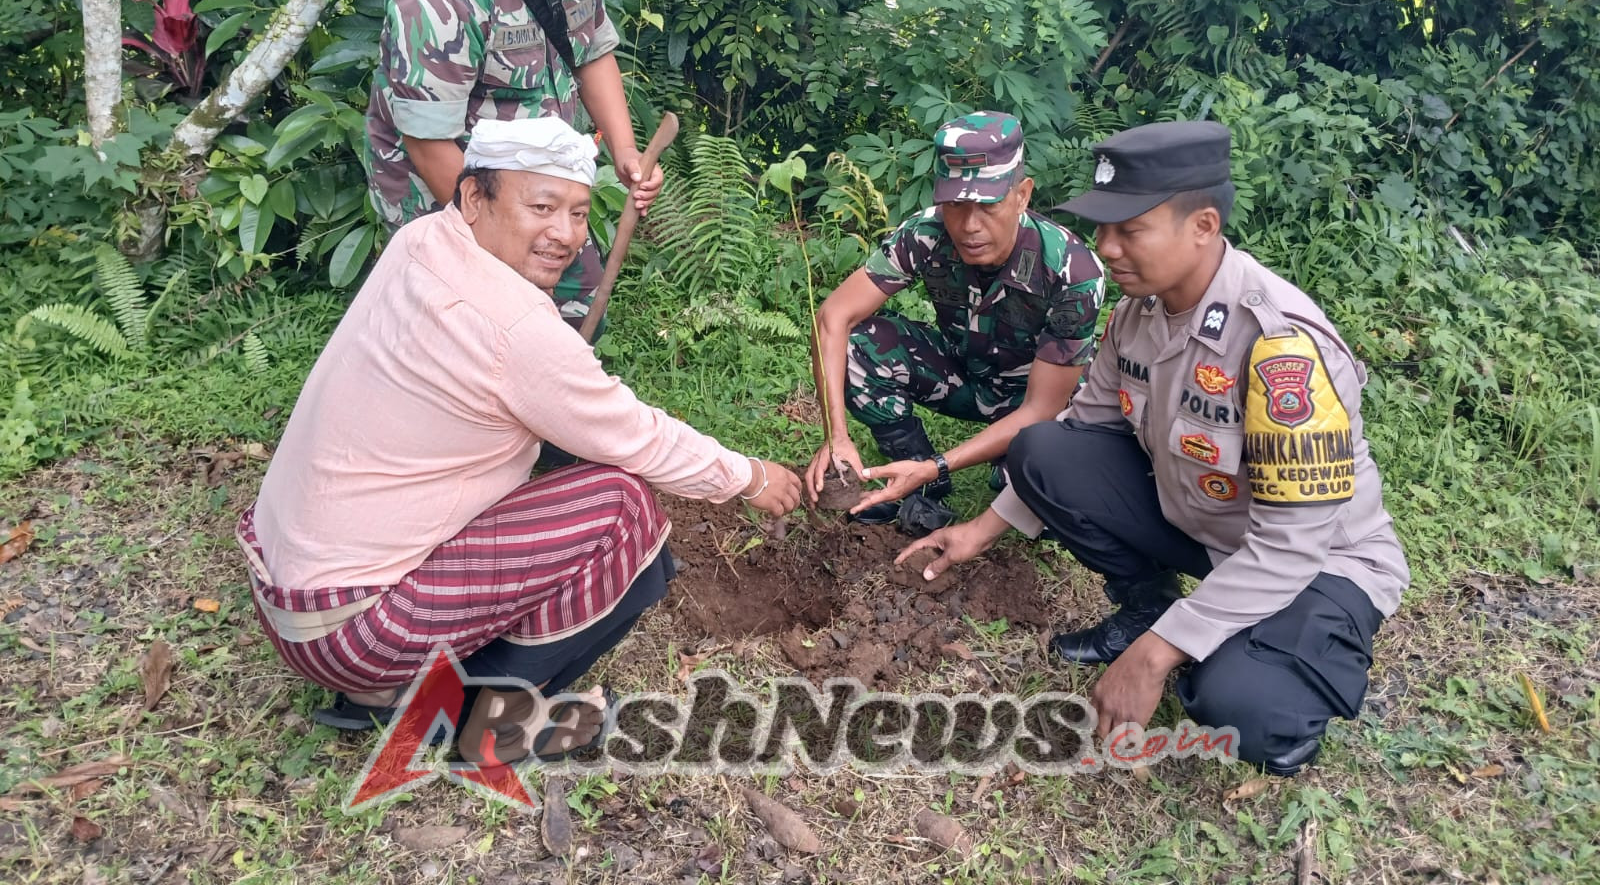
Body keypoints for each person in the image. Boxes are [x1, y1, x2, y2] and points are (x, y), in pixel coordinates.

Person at [239, 116, 801, 763]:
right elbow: (639, 438)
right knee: (623, 508)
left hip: (283, 591)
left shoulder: (421, 240)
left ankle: (388, 690)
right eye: (541, 207)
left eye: (579, 213)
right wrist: (753, 477)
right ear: (475, 197)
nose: (564, 235)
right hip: (350, 630)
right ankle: (470, 717)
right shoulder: (517, 329)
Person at [897, 120, 1410, 774]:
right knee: (1042, 450)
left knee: (1240, 704)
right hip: (1208, 530)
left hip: (1320, 565)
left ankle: (1273, 666)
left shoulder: (1281, 347)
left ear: (1202, 226)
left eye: (1130, 229)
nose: (1106, 247)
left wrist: (1155, 654)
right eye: (1102, 228)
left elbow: (1293, 544)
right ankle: (1152, 607)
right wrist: (982, 529)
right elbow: (1077, 433)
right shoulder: (1135, 317)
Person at [365, 0, 663, 329]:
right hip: (454, 193)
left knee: (570, 312)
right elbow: (429, 144)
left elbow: (591, 49)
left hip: (535, 188)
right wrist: (500, 251)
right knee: (476, 335)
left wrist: (625, 151)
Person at [804, 112, 1106, 534]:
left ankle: (962, 471)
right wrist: (836, 435)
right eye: (955, 205)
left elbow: (1044, 407)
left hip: (1035, 404)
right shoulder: (925, 234)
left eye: (987, 205)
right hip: (965, 376)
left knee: (1040, 482)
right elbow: (833, 317)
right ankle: (917, 483)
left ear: (1022, 195)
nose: (969, 226)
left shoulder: (1072, 271)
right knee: (858, 344)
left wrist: (938, 464)